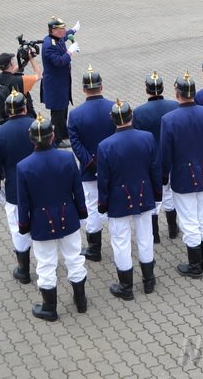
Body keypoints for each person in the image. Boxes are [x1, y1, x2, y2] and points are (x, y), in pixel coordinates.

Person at [16, 115, 88, 322]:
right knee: (74, 258)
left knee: (46, 264)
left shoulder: (23, 167)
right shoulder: (66, 158)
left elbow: (24, 202)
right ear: (53, 136)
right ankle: (81, 301)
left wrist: (24, 226)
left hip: (41, 222)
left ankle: (50, 307)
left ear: (31, 139)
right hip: (68, 217)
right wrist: (82, 213)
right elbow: (77, 189)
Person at [96, 100, 162, 300]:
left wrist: (103, 204)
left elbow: (104, 180)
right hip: (144, 193)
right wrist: (157, 194)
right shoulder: (147, 138)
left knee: (121, 242)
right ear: (131, 116)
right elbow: (154, 168)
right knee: (145, 237)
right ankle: (148, 281)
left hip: (118, 199)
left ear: (112, 119)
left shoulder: (104, 146)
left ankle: (126, 287)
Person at [160, 72, 203, 278]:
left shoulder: (169, 119)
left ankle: (195, 266)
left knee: (189, 221)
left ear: (177, 93)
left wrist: (163, 177)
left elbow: (165, 154)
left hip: (182, 176)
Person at [67, 66, 116, 263]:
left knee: (93, 207)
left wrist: (91, 164)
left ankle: (94, 249)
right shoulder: (114, 108)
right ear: (101, 86)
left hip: (89, 171)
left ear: (83, 89)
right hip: (113, 167)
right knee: (114, 205)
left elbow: (76, 145)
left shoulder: (76, 114)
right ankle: (118, 242)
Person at [0, 90, 36, 284]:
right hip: (39, 185)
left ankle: (23, 269)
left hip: (15, 189)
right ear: (24, 107)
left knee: (18, 228)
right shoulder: (37, 125)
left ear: (7, 111)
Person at [133, 72, 179, 241]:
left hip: (151, 159)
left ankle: (155, 234)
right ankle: (173, 229)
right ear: (162, 88)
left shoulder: (138, 112)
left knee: (154, 197)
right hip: (172, 158)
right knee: (169, 195)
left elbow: (138, 140)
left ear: (147, 90)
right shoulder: (174, 105)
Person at [40, 17, 80, 148]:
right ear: (53, 30)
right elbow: (59, 61)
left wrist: (73, 30)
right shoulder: (49, 45)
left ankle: (64, 134)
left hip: (61, 84)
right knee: (57, 114)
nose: (64, 30)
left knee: (63, 110)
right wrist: (70, 51)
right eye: (61, 28)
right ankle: (56, 140)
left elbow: (64, 37)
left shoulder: (57, 38)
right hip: (55, 86)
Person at [0, 49, 40, 119]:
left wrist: (24, 62)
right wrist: (31, 59)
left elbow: (9, 72)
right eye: (13, 60)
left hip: (5, 114)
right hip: (23, 115)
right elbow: (39, 75)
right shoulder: (21, 80)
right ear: (11, 64)